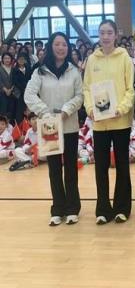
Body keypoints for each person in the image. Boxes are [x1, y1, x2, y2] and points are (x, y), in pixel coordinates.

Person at [24, 32, 83, 226]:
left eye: (64, 44)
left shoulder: (73, 71)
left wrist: (66, 110)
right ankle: (58, 208)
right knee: (54, 169)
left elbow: (80, 96)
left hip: (69, 126)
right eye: (57, 44)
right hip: (49, 127)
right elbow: (29, 95)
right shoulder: (39, 71)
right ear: (50, 46)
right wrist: (45, 113)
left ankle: (73, 208)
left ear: (68, 48)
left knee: (71, 169)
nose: (61, 48)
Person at [83, 20, 135, 225]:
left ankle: (122, 208)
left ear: (115, 35)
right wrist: (90, 109)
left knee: (122, 165)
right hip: (99, 124)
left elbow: (130, 89)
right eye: (102, 32)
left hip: (120, 121)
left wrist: (120, 109)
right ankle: (103, 209)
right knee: (101, 167)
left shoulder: (124, 58)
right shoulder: (91, 60)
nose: (105, 37)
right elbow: (87, 89)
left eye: (109, 33)